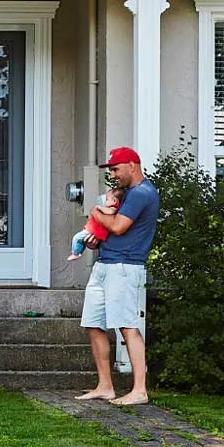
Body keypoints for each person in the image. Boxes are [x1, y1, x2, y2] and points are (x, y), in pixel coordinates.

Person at [76, 145, 159, 406]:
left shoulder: (142, 193)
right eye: (110, 169)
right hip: (105, 264)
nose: (113, 174)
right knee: (93, 323)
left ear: (132, 165)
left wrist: (95, 213)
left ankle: (139, 391)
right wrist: (94, 241)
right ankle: (105, 386)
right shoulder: (127, 195)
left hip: (124, 268)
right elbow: (111, 230)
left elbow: (119, 226)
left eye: (116, 168)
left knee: (127, 325)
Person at [68, 185, 124, 261]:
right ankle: (79, 252)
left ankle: (75, 253)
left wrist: (98, 209)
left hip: (93, 231)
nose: (105, 201)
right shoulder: (111, 210)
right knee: (82, 240)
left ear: (114, 201)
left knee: (76, 238)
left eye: (107, 199)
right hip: (93, 230)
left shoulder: (112, 209)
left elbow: (110, 211)